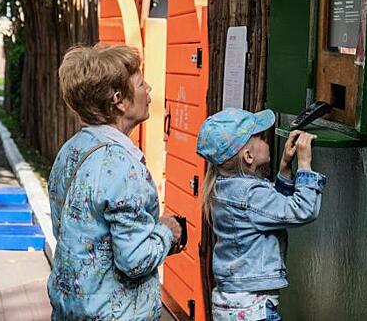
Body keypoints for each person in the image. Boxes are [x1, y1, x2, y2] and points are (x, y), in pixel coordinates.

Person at [47, 45, 182, 320]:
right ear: (119, 99)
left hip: (71, 309)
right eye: (141, 83)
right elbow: (134, 260)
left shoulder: (71, 150)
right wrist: (168, 231)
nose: (149, 89)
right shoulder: (121, 165)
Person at [196, 108, 326, 321]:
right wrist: (304, 165)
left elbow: (272, 211)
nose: (267, 139)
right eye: (259, 137)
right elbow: (302, 210)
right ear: (248, 156)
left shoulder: (223, 187)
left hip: (233, 303)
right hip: (253, 309)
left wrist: (285, 168)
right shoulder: (250, 194)